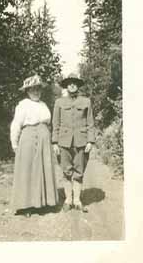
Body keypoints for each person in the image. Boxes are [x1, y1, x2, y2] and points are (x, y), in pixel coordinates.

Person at [10, 74, 59, 217]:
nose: (36, 92)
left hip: (43, 137)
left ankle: (44, 202)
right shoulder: (23, 105)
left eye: (38, 89)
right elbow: (16, 125)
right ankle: (26, 205)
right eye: (32, 90)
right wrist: (14, 143)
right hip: (28, 138)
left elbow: (48, 122)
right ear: (27, 91)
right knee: (27, 169)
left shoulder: (43, 105)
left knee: (44, 167)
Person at [52, 73, 95, 212]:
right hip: (63, 143)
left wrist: (90, 141)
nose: (72, 85)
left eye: (74, 83)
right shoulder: (59, 102)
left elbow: (90, 123)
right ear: (66, 86)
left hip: (81, 142)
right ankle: (68, 200)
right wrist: (54, 142)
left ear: (78, 85)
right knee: (66, 171)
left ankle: (77, 200)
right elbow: (55, 123)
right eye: (69, 83)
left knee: (79, 171)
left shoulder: (86, 101)